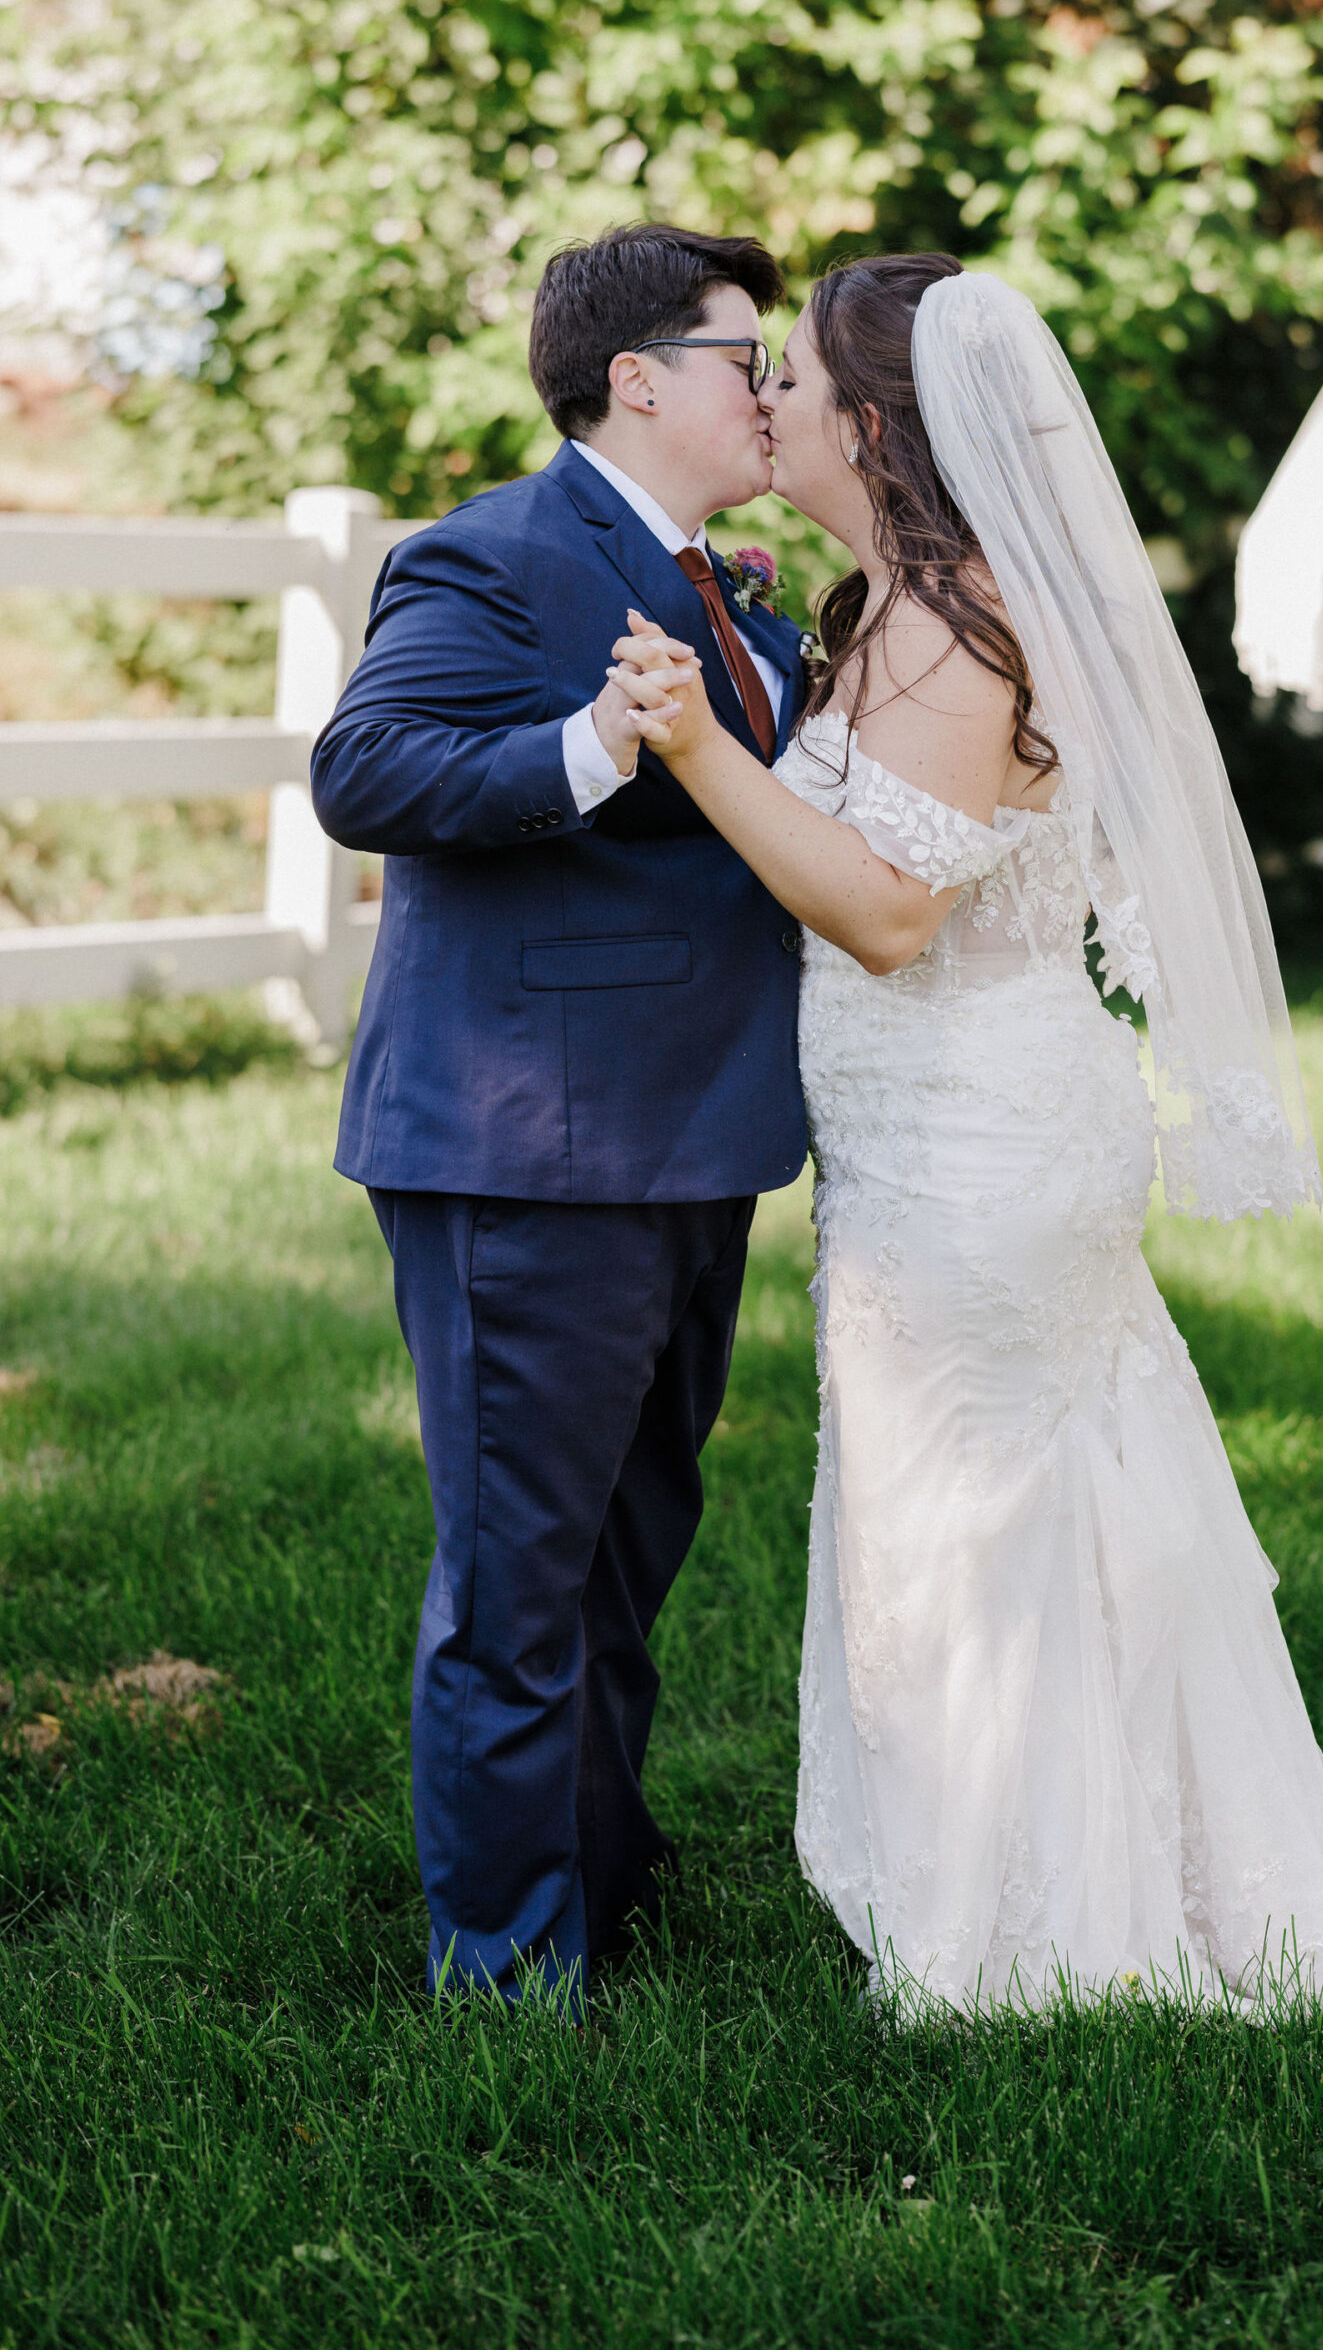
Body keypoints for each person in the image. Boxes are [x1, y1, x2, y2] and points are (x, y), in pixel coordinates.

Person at [609, 254, 1323, 2016]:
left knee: (972, 1529)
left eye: (801, 385)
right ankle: (1147, 1881)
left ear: (877, 423)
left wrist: (691, 743)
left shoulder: (952, 618)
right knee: (1053, 1510)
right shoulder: (897, 603)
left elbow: (893, 913)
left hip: (977, 1138)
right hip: (949, 1132)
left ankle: (1033, 1936)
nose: (772, 405)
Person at [310, 224, 809, 2009]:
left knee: (626, 1546)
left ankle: (603, 1872)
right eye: (748, 358)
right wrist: (597, 748)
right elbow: (364, 773)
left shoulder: (729, 584)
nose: (771, 391)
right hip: (530, 1146)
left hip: (696, 1137)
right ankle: (506, 1968)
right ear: (639, 379)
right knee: (521, 1578)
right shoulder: (497, 555)